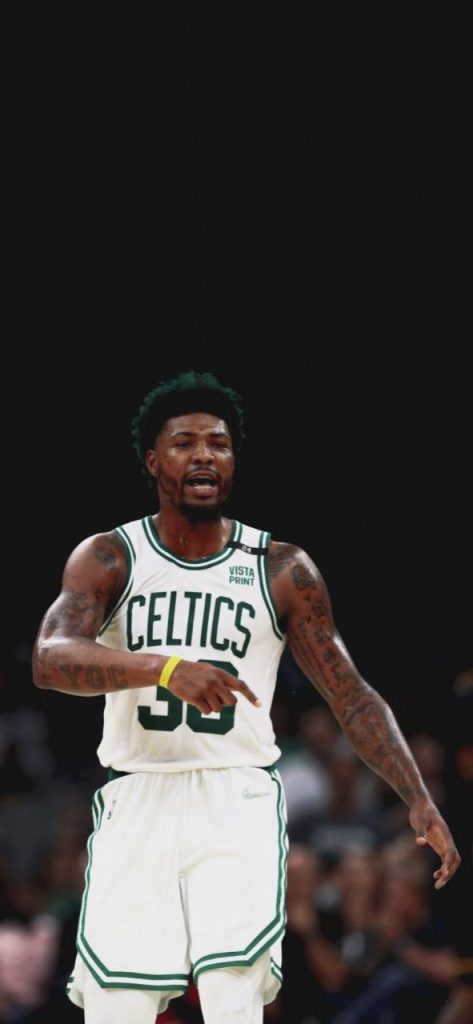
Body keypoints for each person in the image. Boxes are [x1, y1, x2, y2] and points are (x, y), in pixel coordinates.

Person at [32, 370, 461, 1024]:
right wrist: (165, 669)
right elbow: (50, 657)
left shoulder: (280, 567)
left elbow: (351, 695)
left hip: (237, 794)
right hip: (138, 790)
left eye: (219, 444)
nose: (204, 455)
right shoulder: (111, 556)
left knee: (233, 997)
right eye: (184, 443)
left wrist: (416, 794)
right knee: (118, 1003)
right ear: (153, 461)